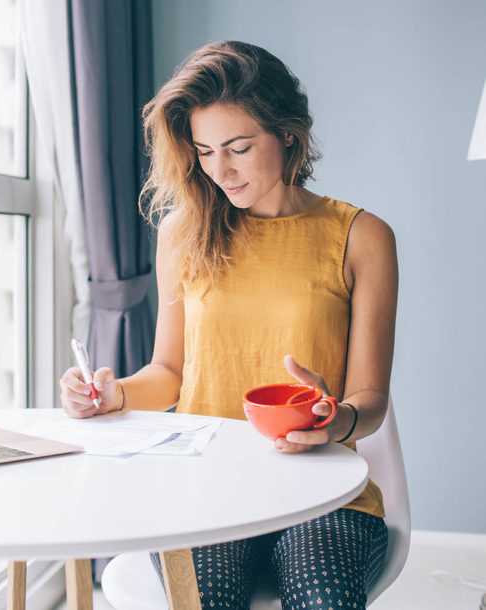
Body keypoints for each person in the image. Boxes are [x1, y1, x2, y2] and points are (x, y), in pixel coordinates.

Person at [60, 40, 398, 610]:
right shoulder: (182, 232)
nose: (220, 170)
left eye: (239, 148)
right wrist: (112, 395)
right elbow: (169, 371)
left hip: (325, 490)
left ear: (288, 134)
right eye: (205, 151)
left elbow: (371, 399)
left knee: (322, 597)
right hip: (207, 487)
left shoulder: (362, 236)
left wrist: (337, 418)